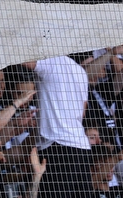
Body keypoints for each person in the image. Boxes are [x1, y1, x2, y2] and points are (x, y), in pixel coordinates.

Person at [24, 56, 91, 198]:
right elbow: (83, 111)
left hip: (58, 147)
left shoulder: (52, 61)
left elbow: (26, 61)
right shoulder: (80, 70)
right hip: (81, 147)